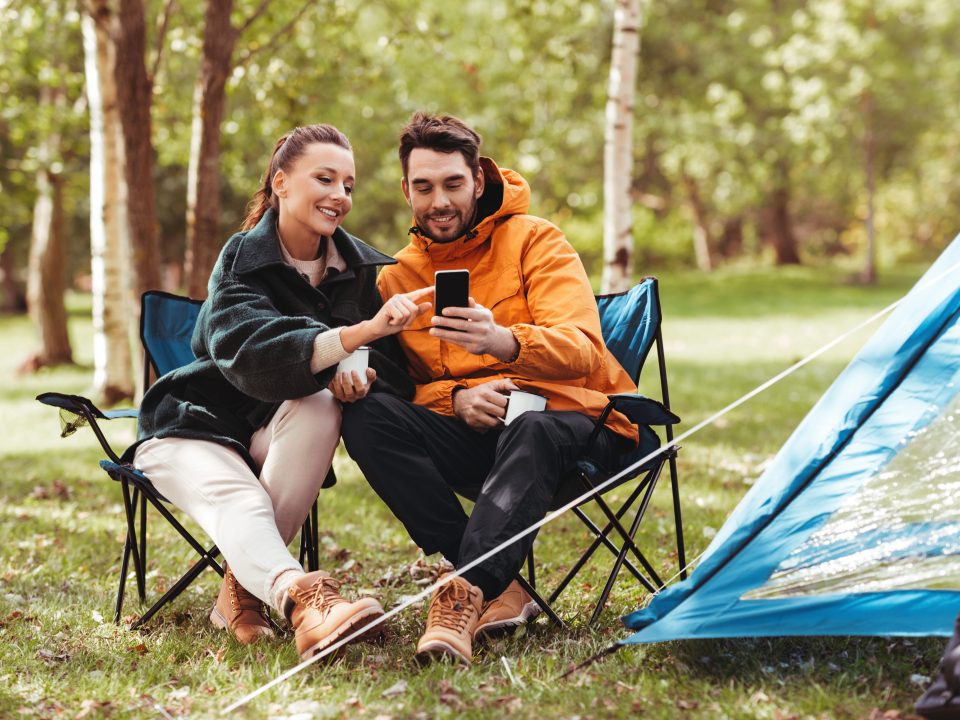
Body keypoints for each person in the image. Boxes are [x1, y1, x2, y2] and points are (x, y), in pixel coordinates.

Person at [341, 112, 646, 666]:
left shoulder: (536, 240)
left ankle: (462, 593)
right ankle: (499, 585)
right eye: (425, 187)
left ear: (478, 181)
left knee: (532, 425)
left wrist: (503, 341)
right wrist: (453, 400)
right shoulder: (396, 279)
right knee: (366, 416)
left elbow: (582, 350)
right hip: (482, 443)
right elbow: (405, 388)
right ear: (406, 190)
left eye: (453, 184)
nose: (440, 202)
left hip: (577, 427)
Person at [126, 124, 432, 661]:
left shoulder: (362, 268)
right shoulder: (243, 258)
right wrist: (355, 338)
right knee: (241, 496)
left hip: (274, 435)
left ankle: (242, 590)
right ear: (281, 182)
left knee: (320, 401)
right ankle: (302, 600)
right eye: (325, 178)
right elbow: (253, 351)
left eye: (349, 184)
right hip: (192, 426)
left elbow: (396, 363)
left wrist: (356, 363)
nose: (341, 195)